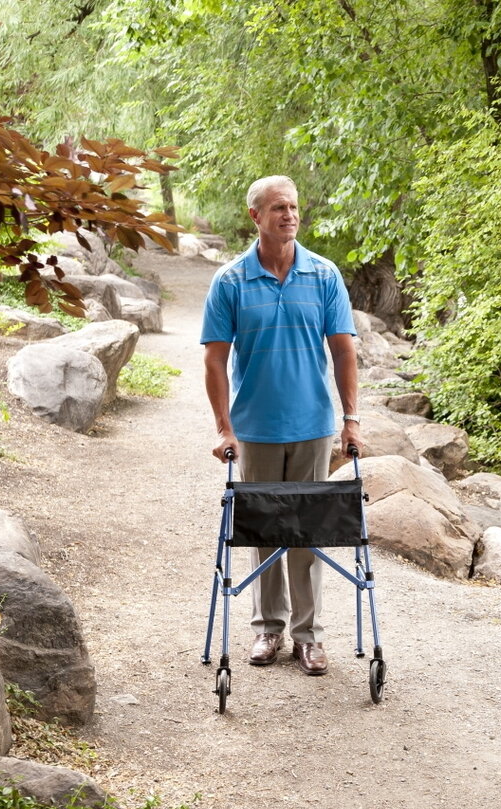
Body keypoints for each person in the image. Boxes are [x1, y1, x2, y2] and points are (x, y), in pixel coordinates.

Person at [200, 175, 363, 676]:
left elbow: (343, 350)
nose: (289, 215)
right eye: (278, 208)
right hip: (255, 429)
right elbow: (214, 360)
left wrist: (350, 419)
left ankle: (308, 637)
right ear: (256, 216)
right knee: (267, 530)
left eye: (293, 206)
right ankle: (268, 629)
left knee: (309, 534)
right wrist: (224, 429)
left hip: (313, 426)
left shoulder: (324, 274)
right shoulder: (230, 281)